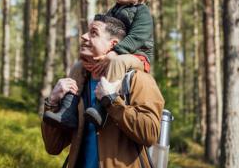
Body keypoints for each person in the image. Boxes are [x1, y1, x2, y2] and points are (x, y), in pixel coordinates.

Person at [41, 15, 164, 168]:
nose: (84, 37)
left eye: (93, 33)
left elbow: (150, 134)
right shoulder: (78, 83)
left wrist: (112, 101)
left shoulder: (137, 79)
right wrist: (52, 102)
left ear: (113, 45)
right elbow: (53, 147)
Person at [43, 0, 154, 128]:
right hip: (117, 53)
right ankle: (68, 109)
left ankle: (101, 109)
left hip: (138, 56)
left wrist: (115, 52)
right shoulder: (113, 11)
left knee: (118, 61)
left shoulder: (142, 12)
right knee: (79, 66)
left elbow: (138, 36)